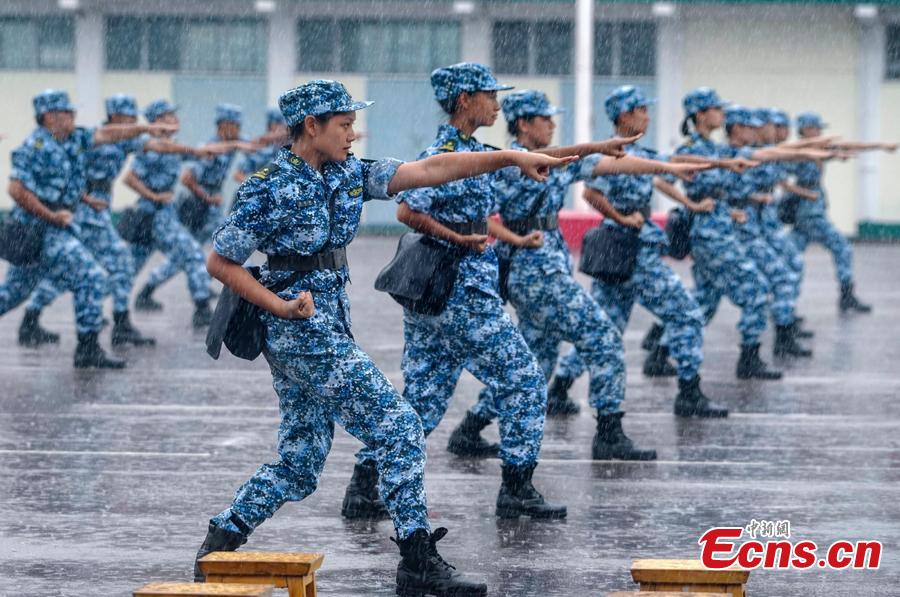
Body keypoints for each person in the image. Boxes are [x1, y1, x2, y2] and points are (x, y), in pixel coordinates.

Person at [195, 78, 574, 596]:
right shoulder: (269, 185)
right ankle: (417, 560)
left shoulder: (348, 173)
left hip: (327, 325)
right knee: (398, 427)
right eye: (345, 124)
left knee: (300, 465)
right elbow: (221, 261)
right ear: (312, 126)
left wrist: (508, 158)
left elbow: (429, 170)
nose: (355, 133)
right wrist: (280, 305)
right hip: (298, 331)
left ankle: (221, 537)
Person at [550, 85, 729, 420]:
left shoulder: (641, 151)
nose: (647, 115)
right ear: (623, 116)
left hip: (624, 251)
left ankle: (559, 387)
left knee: (607, 327)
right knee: (687, 314)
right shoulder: (609, 156)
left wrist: (719, 163)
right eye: (641, 110)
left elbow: (669, 163)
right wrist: (620, 216)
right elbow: (591, 193)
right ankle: (689, 392)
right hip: (629, 249)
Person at [19, 93, 217, 348]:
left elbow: (157, 145)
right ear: (115, 117)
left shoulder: (123, 141)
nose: (134, 120)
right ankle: (110, 327)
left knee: (86, 271)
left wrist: (194, 151)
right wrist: (84, 197)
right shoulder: (92, 139)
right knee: (108, 266)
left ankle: (37, 317)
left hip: (96, 212)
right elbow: (68, 173)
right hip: (81, 214)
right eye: (129, 116)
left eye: (136, 116)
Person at [0, 90, 172, 368]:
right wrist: (52, 216)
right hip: (40, 230)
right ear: (49, 116)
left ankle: (88, 347)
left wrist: (147, 128)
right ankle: (87, 350)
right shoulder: (35, 147)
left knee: (13, 294)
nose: (73, 116)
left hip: (57, 228)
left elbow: (106, 135)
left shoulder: (73, 139)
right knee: (89, 278)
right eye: (67, 112)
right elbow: (16, 189)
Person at [673, 87, 785, 381]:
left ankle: (661, 354)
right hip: (710, 236)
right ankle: (748, 360)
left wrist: (727, 210)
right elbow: (662, 177)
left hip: (721, 229)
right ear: (700, 115)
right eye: (716, 109)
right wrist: (690, 204)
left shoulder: (713, 149)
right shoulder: (690, 149)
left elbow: (723, 184)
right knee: (757, 290)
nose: (722, 114)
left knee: (704, 302)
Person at [124, 100, 236, 326]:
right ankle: (202, 310)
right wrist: (153, 196)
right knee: (192, 253)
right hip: (154, 216)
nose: (175, 119)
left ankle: (117, 311)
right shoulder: (152, 147)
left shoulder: (170, 146)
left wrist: (237, 146)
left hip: (160, 216)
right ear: (157, 120)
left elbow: (199, 153)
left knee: (127, 270)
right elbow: (129, 178)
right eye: (169, 116)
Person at [787, 111, 896, 313]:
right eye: (817, 127)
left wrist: (880, 145)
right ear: (807, 130)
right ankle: (843, 296)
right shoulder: (795, 153)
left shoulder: (819, 148)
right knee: (841, 247)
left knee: (790, 258)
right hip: (810, 214)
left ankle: (784, 310)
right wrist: (803, 192)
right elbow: (778, 178)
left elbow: (851, 146)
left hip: (808, 213)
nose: (820, 131)